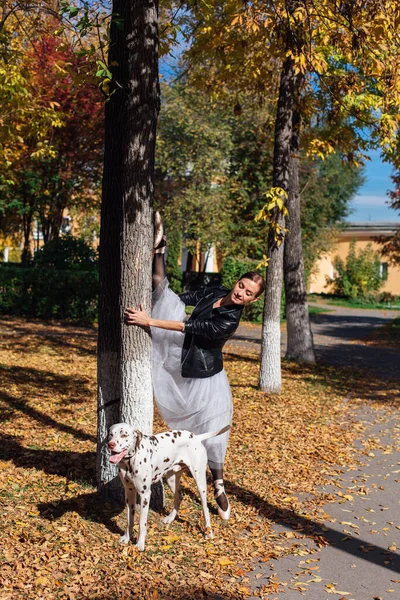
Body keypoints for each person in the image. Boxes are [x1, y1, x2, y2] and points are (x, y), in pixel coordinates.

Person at [124, 214, 265, 520]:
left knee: (212, 436)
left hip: (206, 378)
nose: (241, 292)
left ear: (252, 300)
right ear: (238, 281)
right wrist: (162, 297)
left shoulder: (230, 319)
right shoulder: (217, 290)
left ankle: (218, 484)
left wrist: (149, 321)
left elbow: (190, 326)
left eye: (248, 293)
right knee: (165, 291)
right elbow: (183, 298)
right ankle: (159, 248)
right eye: (242, 285)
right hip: (184, 362)